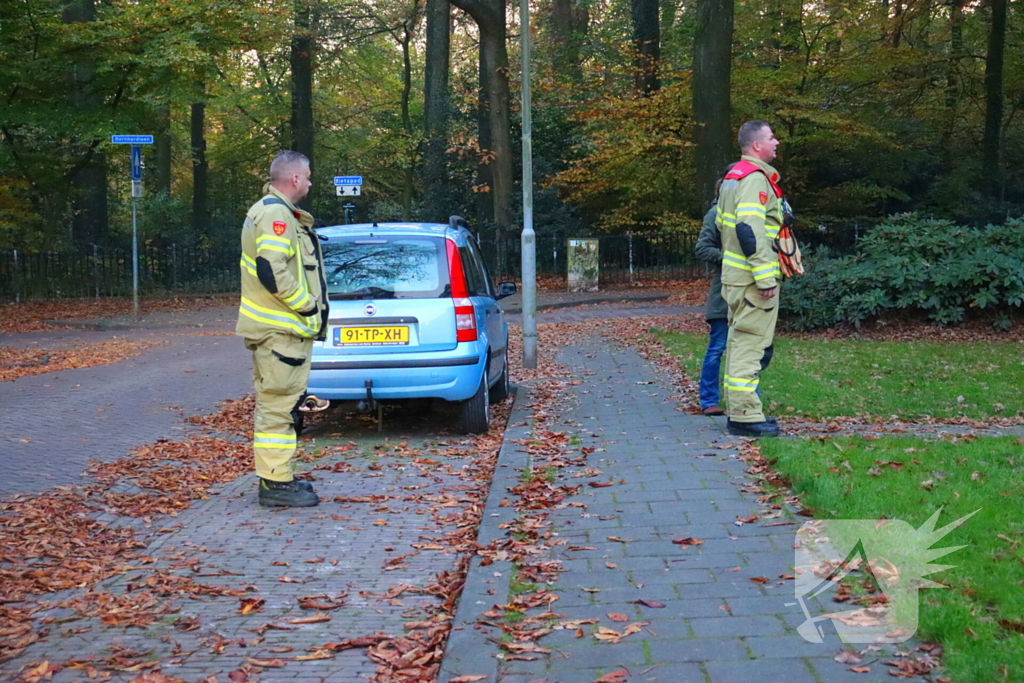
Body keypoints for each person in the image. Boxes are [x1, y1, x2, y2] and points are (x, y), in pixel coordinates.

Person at [236, 151, 329, 506]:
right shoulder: (276, 214)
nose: (309, 182)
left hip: (276, 332)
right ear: (293, 179)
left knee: (280, 405)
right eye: (307, 176)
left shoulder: (270, 210)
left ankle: (279, 476)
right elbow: (271, 268)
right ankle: (275, 485)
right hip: (281, 333)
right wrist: (305, 304)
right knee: (279, 408)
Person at [716, 121, 785, 438]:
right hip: (751, 280)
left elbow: (723, 224)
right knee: (750, 345)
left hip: (735, 277)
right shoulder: (754, 179)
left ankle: (739, 411)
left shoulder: (733, 178)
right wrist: (764, 275)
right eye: (771, 138)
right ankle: (745, 415)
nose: (776, 142)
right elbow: (748, 228)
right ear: (756, 145)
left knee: (740, 342)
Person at [693, 166, 736, 416]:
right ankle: (709, 400)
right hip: (723, 294)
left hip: (746, 293)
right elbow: (702, 248)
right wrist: (730, 260)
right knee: (718, 346)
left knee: (747, 349)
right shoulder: (715, 214)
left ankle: (746, 399)